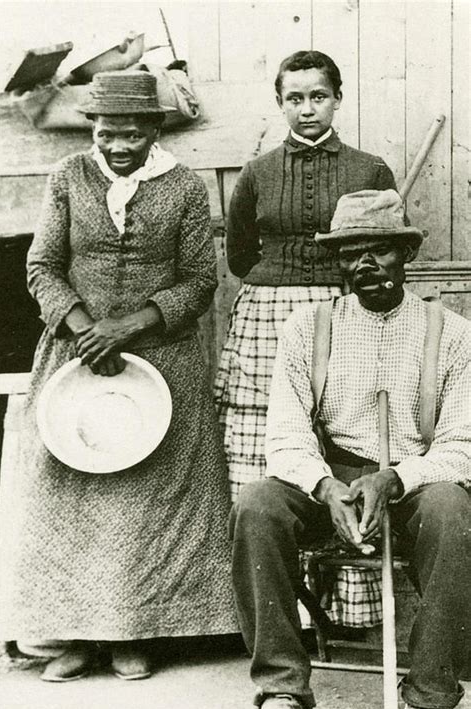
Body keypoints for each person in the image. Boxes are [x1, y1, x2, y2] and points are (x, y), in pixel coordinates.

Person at [1, 71, 237, 681]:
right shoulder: (68, 178)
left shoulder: (182, 186)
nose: (118, 146)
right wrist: (85, 329)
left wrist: (126, 328)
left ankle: (136, 634)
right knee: (71, 492)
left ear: (155, 129)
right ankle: (75, 636)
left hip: (161, 359)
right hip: (76, 358)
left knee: (144, 501)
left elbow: (199, 281)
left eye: (131, 134)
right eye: (107, 134)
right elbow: (42, 267)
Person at [230, 189, 470, 709]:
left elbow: (461, 445)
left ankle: (431, 693)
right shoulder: (305, 329)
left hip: (413, 479)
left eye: (379, 250)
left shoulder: (453, 333)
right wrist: (323, 485)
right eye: (350, 253)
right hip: (333, 478)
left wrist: (394, 478)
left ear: (404, 254)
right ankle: (282, 688)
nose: (365, 264)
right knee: (257, 502)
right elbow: (286, 436)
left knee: (452, 506)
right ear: (337, 262)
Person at [215, 50, 399, 627]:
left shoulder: (369, 170)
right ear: (280, 104)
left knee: (343, 440)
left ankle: (350, 609)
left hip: (346, 311)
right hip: (269, 315)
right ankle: (280, 610)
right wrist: (283, 287)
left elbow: (381, 245)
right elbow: (241, 254)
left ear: (338, 99)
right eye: (294, 98)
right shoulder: (257, 172)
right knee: (267, 453)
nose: (307, 109)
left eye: (318, 96)